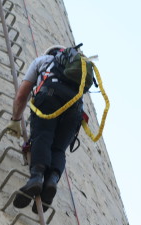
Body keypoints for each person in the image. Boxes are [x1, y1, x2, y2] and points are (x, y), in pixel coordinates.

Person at [6, 45, 84, 214]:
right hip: (75, 111)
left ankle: (36, 178)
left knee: (42, 136)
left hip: (50, 97)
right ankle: (52, 181)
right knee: (58, 148)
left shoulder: (43, 61)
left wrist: (15, 120)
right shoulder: (79, 72)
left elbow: (22, 95)